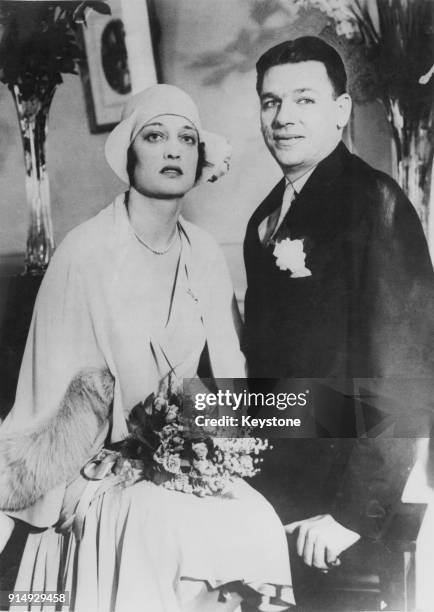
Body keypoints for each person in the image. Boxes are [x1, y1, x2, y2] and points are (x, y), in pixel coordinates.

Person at [0, 85, 293, 611]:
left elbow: (230, 376)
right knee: (162, 530)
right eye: (155, 137)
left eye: (186, 138)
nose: (173, 150)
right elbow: (51, 404)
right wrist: (119, 456)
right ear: (130, 156)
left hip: (175, 458)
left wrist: (208, 449)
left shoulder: (203, 252)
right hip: (89, 465)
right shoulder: (85, 252)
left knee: (257, 522)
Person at [243, 36, 434, 599]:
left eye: (304, 100)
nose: (283, 118)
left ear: (341, 111)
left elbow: (406, 373)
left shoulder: (375, 203)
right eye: (270, 102)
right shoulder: (265, 217)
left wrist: (352, 514)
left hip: (342, 510)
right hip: (277, 492)